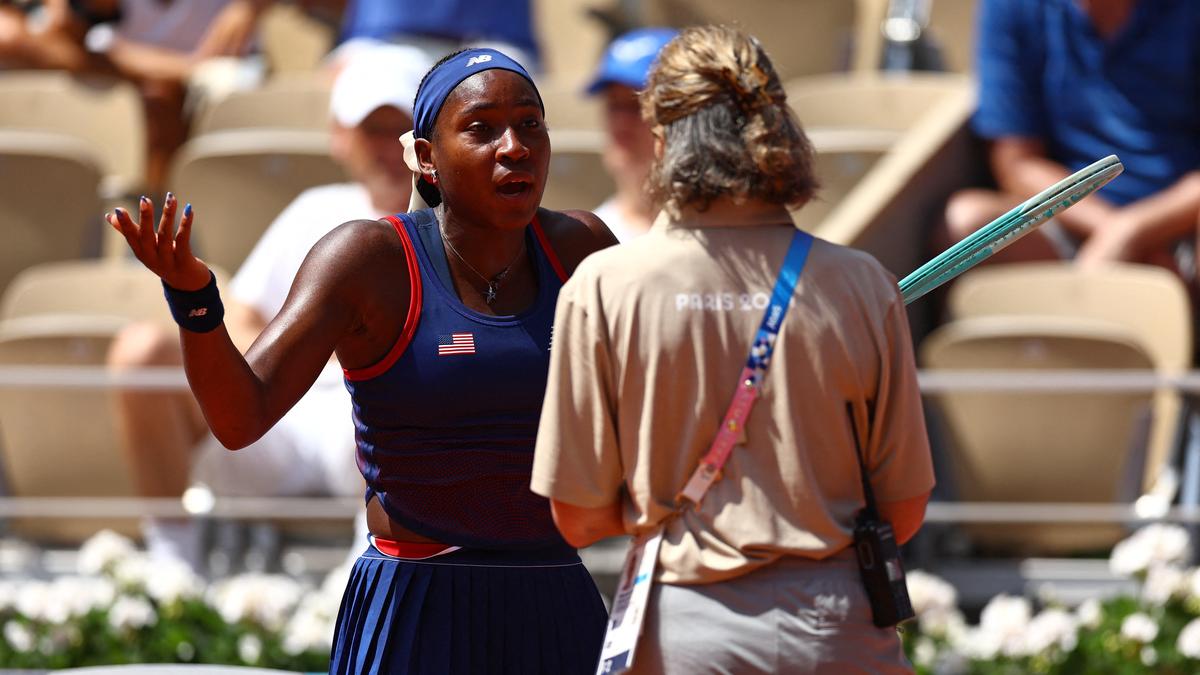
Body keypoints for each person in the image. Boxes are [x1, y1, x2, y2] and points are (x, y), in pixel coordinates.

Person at [107, 46, 615, 673]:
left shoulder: (585, 248)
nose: (515, 146)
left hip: (553, 592)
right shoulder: (365, 258)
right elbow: (239, 418)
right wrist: (195, 299)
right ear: (427, 156)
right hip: (415, 600)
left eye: (530, 124)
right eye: (481, 130)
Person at [531, 26, 935, 673]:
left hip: (684, 629)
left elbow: (576, 515)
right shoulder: (863, 284)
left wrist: (664, 507)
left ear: (662, 139)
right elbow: (905, 507)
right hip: (838, 631)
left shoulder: (604, 287)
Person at [106, 44, 429, 571]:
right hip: (282, 424)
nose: (386, 149)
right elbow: (245, 313)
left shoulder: (456, 230)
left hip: (381, 435)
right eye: (371, 129)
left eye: (399, 131)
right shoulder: (315, 210)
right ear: (340, 137)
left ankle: (369, 568)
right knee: (141, 351)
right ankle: (171, 567)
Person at [940, 0, 1200, 273]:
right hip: (1071, 220)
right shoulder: (1012, 6)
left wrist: (1137, 230)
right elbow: (1017, 164)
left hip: (1181, 222)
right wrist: (1113, 231)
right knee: (964, 223)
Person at [584, 27, 676, 243]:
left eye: (638, 105)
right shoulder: (588, 239)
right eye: (613, 105)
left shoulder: (720, 232)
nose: (621, 122)